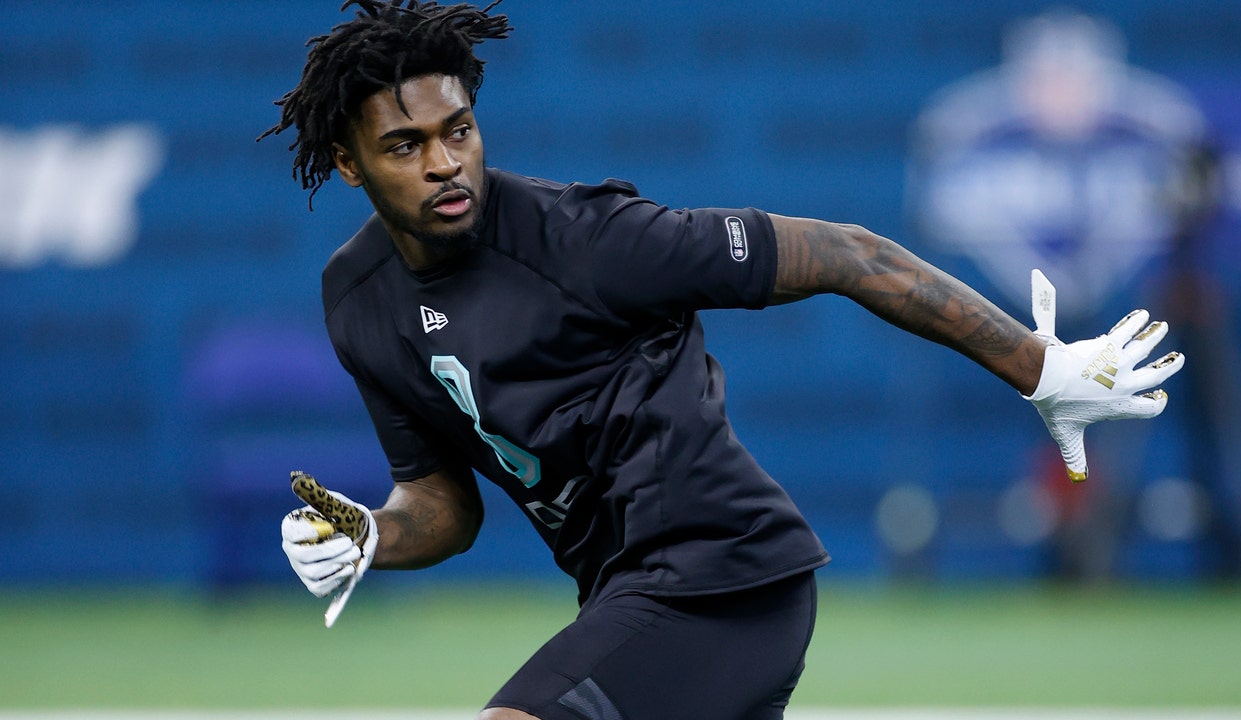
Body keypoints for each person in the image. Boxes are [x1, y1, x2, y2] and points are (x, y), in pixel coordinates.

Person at [261, 2, 1184, 718]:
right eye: (404, 146)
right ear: (348, 165)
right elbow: (443, 503)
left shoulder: (587, 240)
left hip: (720, 576)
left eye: (457, 130)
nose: (443, 163)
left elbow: (851, 253)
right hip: (625, 594)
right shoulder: (358, 303)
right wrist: (373, 535)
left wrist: (1042, 371)